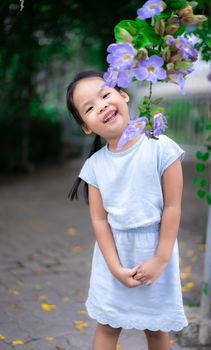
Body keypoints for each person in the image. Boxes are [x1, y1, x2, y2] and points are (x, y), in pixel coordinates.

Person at [66, 70, 188, 350]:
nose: (102, 106)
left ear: (123, 95)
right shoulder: (95, 167)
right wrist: (114, 268)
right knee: (108, 326)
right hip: (115, 258)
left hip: (156, 251)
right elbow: (99, 221)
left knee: (156, 329)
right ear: (86, 126)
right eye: (90, 108)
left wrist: (160, 258)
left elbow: (172, 206)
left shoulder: (161, 147)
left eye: (105, 95)